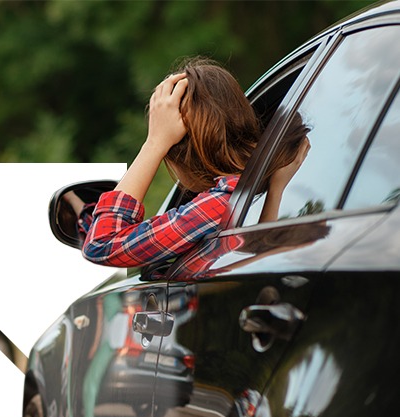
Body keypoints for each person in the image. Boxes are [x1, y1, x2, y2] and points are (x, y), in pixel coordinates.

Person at [74, 57, 309, 267]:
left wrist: (154, 144)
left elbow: (102, 245)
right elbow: (258, 258)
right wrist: (276, 190)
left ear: (178, 156)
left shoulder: (219, 205)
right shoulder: (250, 194)